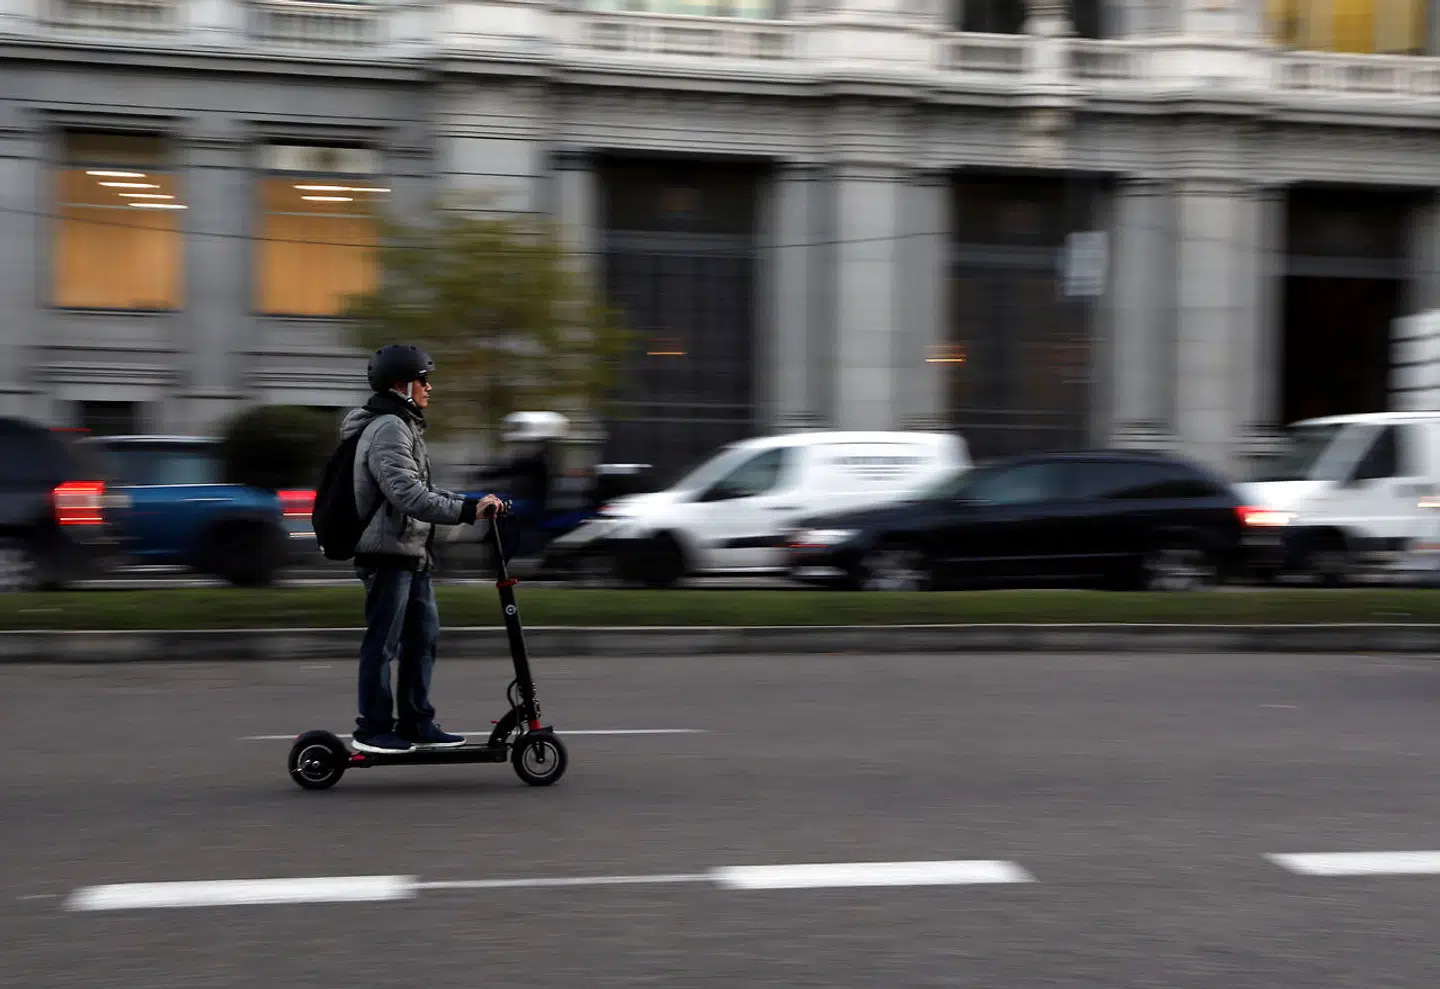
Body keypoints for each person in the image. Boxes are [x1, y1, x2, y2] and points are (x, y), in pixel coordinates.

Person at [341, 344, 504, 755]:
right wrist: (467, 512)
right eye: (423, 380)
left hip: (410, 551)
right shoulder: (388, 429)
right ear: (401, 385)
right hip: (386, 553)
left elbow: (425, 491)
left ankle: (415, 721)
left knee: (422, 637)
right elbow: (407, 495)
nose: (430, 388)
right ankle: (373, 728)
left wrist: (471, 501)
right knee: (384, 642)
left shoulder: (405, 425)